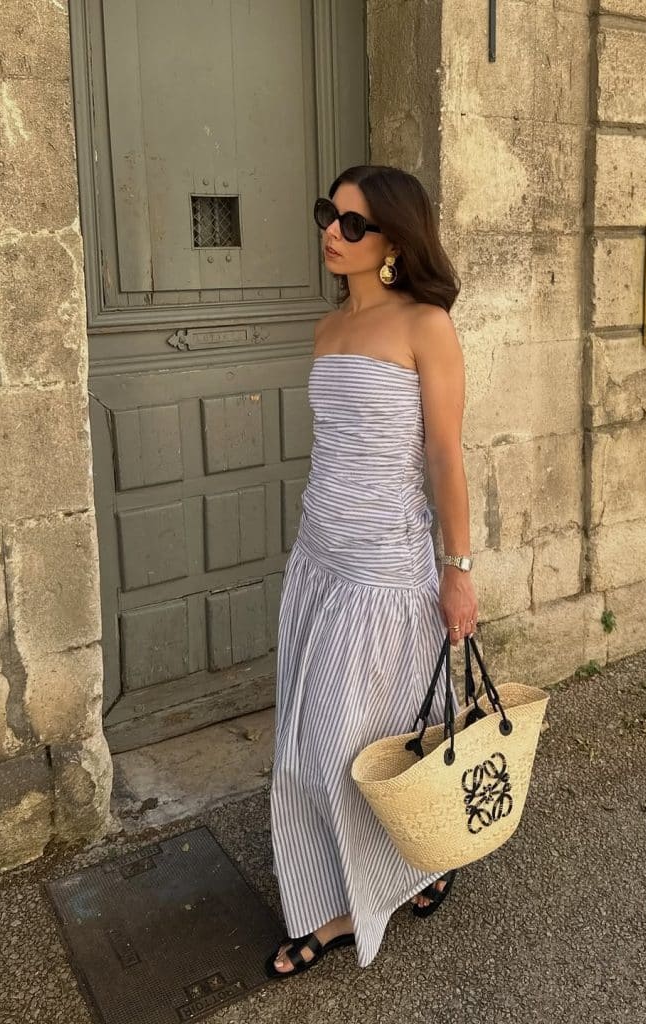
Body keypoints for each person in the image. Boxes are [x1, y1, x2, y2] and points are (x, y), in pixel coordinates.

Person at [266, 164, 478, 978]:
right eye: (330, 214)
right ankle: (377, 877)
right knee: (310, 746)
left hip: (387, 570)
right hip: (320, 559)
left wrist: (457, 572)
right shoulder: (327, 330)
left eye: (354, 223)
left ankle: (352, 907)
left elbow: (445, 455)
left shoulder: (427, 325)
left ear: (394, 239)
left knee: (358, 749)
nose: (333, 232)